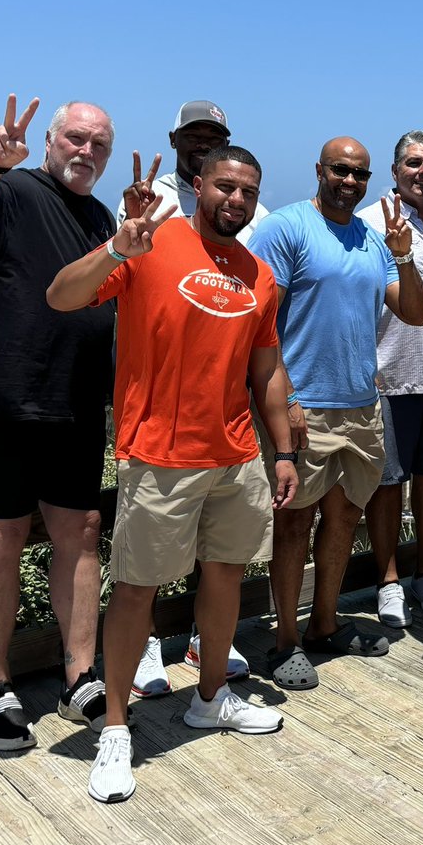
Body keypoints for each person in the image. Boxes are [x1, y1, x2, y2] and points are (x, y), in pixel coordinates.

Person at [48, 145, 297, 803]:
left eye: (248, 190)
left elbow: (267, 371)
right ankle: (117, 730)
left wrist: (284, 451)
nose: (236, 200)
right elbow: (61, 295)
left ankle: (210, 695)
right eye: (225, 186)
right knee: (135, 590)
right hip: (158, 455)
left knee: (225, 578)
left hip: (237, 456)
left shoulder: (259, 276)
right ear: (196, 186)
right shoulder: (149, 244)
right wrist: (117, 250)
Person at [248, 137, 423, 689]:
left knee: (344, 519)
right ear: (319, 170)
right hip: (305, 406)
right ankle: (284, 642)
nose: (349, 181)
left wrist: (402, 254)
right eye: (340, 170)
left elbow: (416, 313)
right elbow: (261, 322)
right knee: (294, 523)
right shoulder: (287, 228)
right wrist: (288, 402)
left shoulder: (374, 241)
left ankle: (324, 626)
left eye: (360, 174)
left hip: (361, 407)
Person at [121, 100, 270, 697]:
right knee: (145, 569)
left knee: (221, 562)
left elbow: (260, 325)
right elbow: (101, 283)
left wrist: (279, 437)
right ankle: (144, 653)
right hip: (160, 423)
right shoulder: (146, 203)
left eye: (213, 137)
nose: (234, 197)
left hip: (230, 427)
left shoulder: (248, 221)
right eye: (194, 137)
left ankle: (206, 666)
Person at [0, 95, 117, 753]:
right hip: (6, 399)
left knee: (84, 530)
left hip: (77, 402)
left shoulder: (100, 217)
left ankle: (80, 675)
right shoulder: (11, 191)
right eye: (75, 137)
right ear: (48, 140)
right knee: (0, 537)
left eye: (99, 145)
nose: (85, 151)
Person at [355, 131, 423, 627]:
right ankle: (388, 581)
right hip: (387, 376)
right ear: (395, 171)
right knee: (386, 485)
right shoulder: (368, 225)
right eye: (414, 163)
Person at [115, 100, 269, 244]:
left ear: (226, 145)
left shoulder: (253, 214)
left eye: (214, 139)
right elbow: (119, 262)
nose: (203, 145)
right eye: (192, 136)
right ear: (173, 139)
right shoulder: (145, 200)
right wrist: (130, 228)